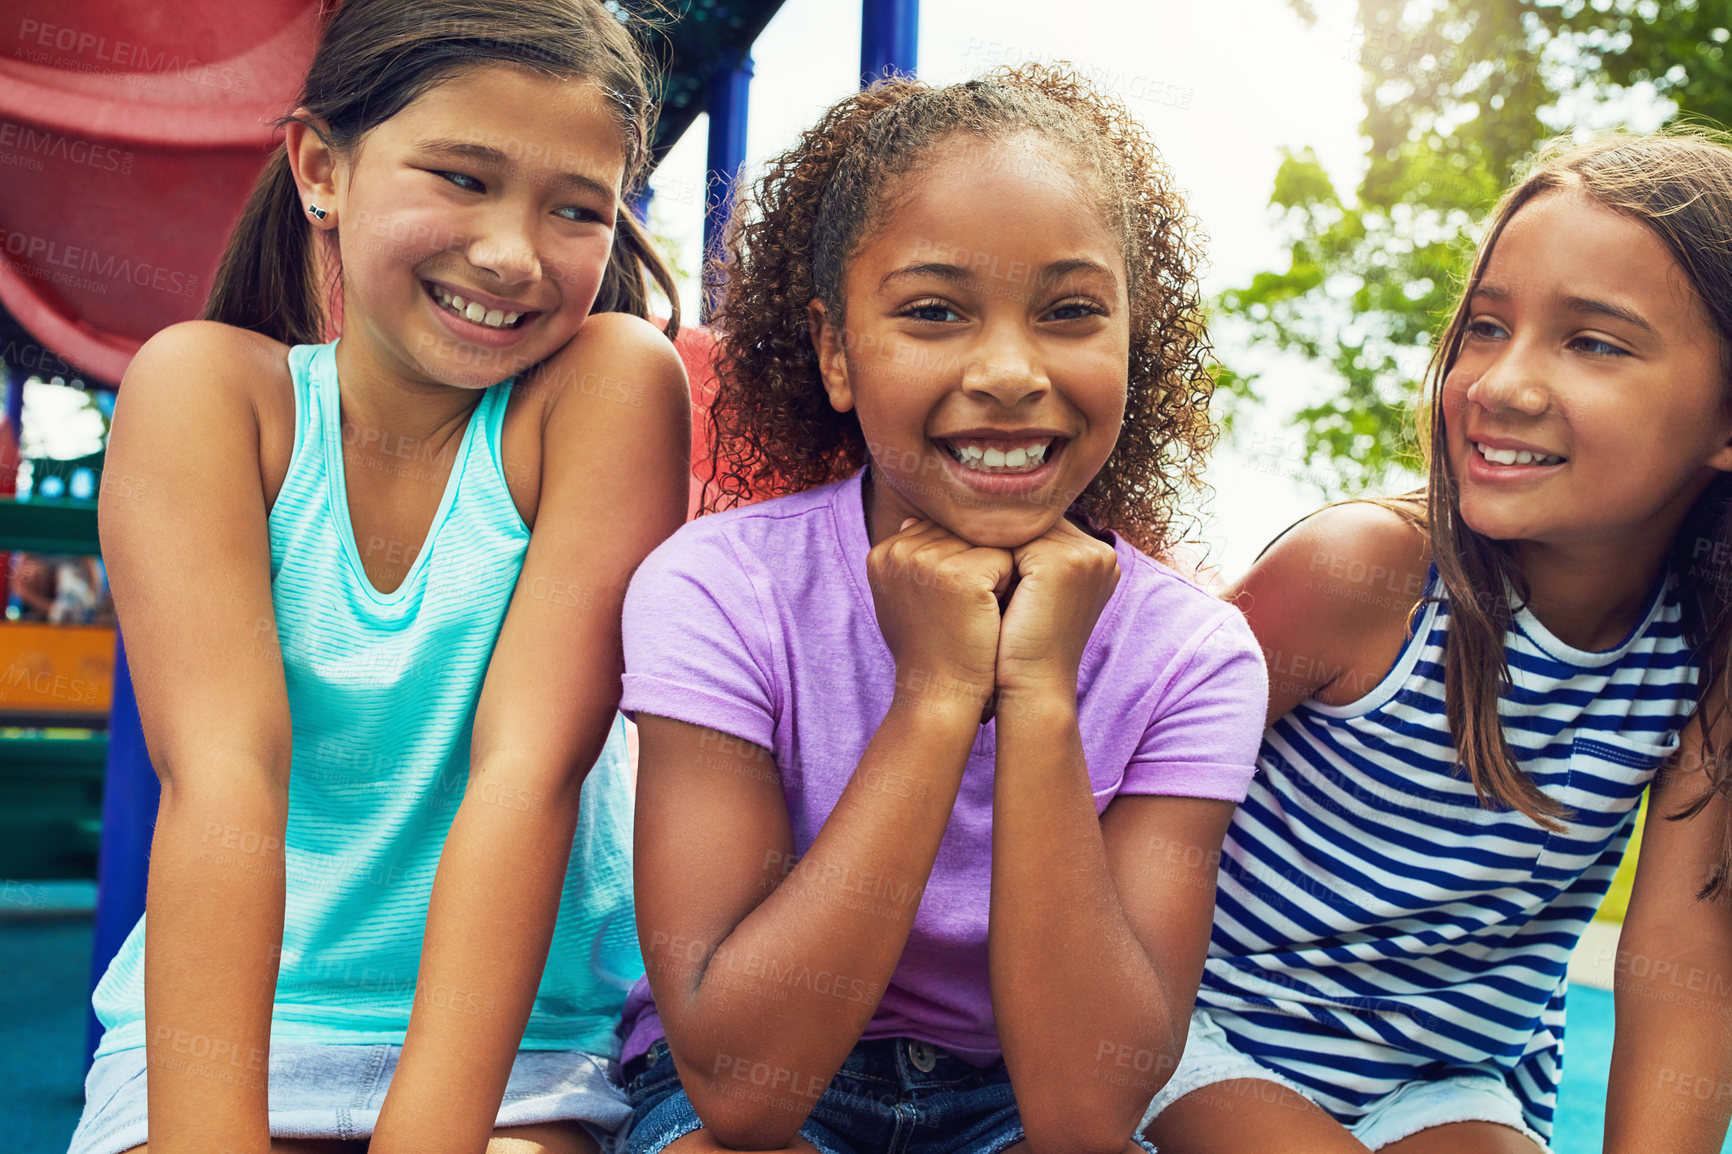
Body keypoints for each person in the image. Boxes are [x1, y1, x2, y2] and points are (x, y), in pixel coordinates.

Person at [67, 1, 689, 1151]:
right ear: (321, 168)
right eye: (460, 176)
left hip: (518, 1046)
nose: (511, 252)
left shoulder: (608, 391)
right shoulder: (209, 394)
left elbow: (528, 771)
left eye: (575, 209)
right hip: (226, 1030)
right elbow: (220, 776)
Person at [618, 66, 1269, 1154]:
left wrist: (1042, 695)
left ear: (1131, 337)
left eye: (1069, 312)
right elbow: (744, 1090)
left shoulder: (1193, 658)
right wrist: (933, 695)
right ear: (835, 351)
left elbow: (1081, 1114)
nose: (1009, 370)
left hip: (1014, 1093)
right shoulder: (718, 589)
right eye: (932, 311)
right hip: (747, 1092)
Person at [1142, 132, 1732, 1154]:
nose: (1500, 383)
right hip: (1194, 1035)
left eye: (1592, 341)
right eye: (1487, 327)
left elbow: (1692, 951)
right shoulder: (1361, 576)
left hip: (1447, 1079)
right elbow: (1108, 788)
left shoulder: (1702, 652)